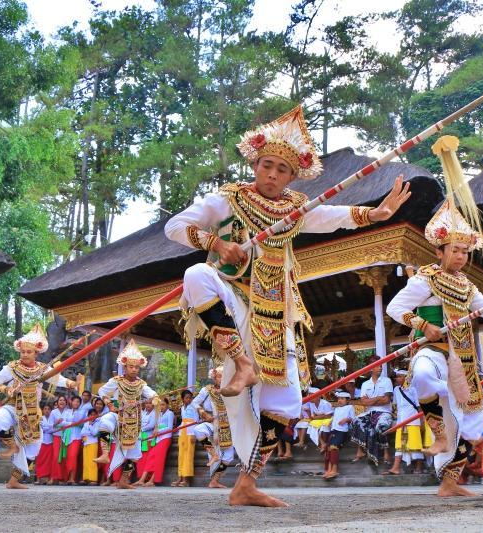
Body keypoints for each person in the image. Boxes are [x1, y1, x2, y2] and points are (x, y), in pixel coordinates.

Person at [165, 106, 412, 507]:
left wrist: (374, 214)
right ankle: (241, 362)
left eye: (282, 169)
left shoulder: (295, 209)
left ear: (292, 176)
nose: (273, 174)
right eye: (267, 165)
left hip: (275, 311)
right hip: (232, 298)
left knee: (285, 403)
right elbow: (174, 226)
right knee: (195, 275)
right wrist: (216, 243)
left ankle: (247, 483)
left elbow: (331, 216)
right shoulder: (228, 200)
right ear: (255, 165)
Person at [386, 136, 483, 497]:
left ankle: (449, 481)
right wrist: (424, 325)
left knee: (469, 423)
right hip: (432, 348)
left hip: (463, 358)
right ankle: (437, 433)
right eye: (455, 250)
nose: (461, 257)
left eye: (465, 251)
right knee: (422, 376)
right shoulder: (425, 279)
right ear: (440, 250)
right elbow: (395, 308)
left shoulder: (467, 285)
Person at [0, 324, 75, 489]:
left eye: (29, 352)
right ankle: (12, 445)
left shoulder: (42, 369)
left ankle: (14, 481)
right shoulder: (11, 368)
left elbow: (57, 379)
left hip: (32, 413)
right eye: (22, 352)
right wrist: (6, 389)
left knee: (33, 450)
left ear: (36, 353)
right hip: (13, 407)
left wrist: (71, 383)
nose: (25, 354)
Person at [94, 339, 157, 489]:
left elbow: (152, 394)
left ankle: (123, 481)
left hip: (134, 422)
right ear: (125, 366)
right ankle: (105, 454)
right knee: (105, 421)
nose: (134, 369)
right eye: (131, 366)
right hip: (118, 417)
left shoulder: (141, 384)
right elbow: (102, 391)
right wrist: (109, 404)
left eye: (136, 367)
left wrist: (155, 398)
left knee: (134, 455)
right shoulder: (117, 381)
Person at [191, 367, 234, 489]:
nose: (222, 379)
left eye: (225, 376)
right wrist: (203, 413)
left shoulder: (232, 391)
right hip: (212, 423)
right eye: (219, 376)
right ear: (214, 378)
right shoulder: (207, 390)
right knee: (198, 430)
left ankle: (214, 481)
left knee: (229, 456)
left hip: (227, 425)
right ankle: (213, 453)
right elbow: (195, 403)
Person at [385, 370, 430, 475]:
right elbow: (395, 405)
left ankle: (419, 467)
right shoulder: (396, 389)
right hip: (401, 421)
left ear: (406, 378)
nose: (397, 378)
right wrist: (394, 415)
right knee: (400, 444)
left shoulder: (413, 389)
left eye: (400, 376)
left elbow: (419, 406)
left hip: (413, 420)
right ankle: (395, 468)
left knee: (415, 444)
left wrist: (422, 420)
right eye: (397, 376)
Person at [351, 359, 394, 466]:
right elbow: (364, 402)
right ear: (371, 368)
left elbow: (386, 400)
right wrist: (379, 398)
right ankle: (360, 451)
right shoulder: (365, 384)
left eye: (381, 366)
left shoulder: (387, 381)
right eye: (377, 366)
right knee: (356, 421)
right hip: (369, 412)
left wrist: (370, 400)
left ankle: (386, 453)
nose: (380, 368)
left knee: (381, 426)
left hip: (384, 412)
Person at [136, 398, 175, 486]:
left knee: (159, 459)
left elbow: (169, 428)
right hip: (158, 438)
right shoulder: (159, 414)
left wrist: (158, 431)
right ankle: (142, 479)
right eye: (160, 405)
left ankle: (152, 481)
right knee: (151, 457)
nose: (161, 407)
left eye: (163, 404)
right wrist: (156, 430)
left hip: (166, 438)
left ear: (167, 405)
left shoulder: (170, 413)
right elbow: (156, 426)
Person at [323, 391, 355, 480]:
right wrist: (330, 422)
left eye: (342, 399)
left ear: (347, 400)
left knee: (334, 447)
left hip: (341, 431)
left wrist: (346, 419)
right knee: (328, 449)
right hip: (333, 430)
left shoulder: (350, 407)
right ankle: (328, 469)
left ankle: (334, 469)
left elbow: (353, 419)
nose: (340, 400)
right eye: (339, 399)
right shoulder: (336, 409)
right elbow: (334, 418)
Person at [173, 389, 198, 487]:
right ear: (182, 399)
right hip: (182, 433)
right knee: (181, 456)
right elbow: (183, 421)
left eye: (190, 398)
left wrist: (194, 434)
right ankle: (180, 477)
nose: (189, 400)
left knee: (188, 456)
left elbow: (196, 421)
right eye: (186, 398)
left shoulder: (194, 407)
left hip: (190, 433)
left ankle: (186, 480)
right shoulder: (182, 408)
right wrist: (177, 429)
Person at [80, 398, 106, 486]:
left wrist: (90, 426)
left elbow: (95, 433)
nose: (92, 416)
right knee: (86, 462)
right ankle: (86, 478)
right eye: (90, 415)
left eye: (94, 415)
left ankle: (93, 479)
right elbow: (82, 433)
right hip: (86, 443)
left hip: (93, 443)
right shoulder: (86, 422)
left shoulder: (98, 422)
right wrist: (89, 429)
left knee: (92, 461)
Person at [49, 395, 72, 485]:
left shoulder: (69, 411)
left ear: (66, 402)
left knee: (64, 457)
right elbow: (50, 425)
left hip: (67, 436)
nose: (62, 402)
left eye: (63, 400)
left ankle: (63, 478)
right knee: (56, 457)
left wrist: (62, 423)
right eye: (60, 400)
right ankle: (54, 477)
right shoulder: (53, 412)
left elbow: (71, 423)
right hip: (57, 436)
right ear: (57, 402)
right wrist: (56, 423)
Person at [36, 403, 53, 484]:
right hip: (41, 442)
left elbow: (52, 429)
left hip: (51, 442)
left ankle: (48, 478)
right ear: (42, 410)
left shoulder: (53, 418)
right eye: (45, 409)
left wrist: (50, 428)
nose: (47, 411)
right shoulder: (40, 418)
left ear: (51, 411)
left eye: (49, 409)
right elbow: (42, 429)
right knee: (40, 460)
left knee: (49, 461)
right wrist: (52, 427)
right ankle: (39, 478)